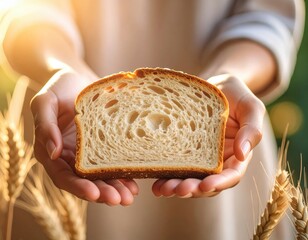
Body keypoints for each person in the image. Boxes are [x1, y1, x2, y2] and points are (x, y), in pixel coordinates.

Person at [1, 0, 304, 239]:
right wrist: (61, 66)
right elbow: (30, 9)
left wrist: (231, 77)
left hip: (224, 134)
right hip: (67, 125)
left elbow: (268, 16)